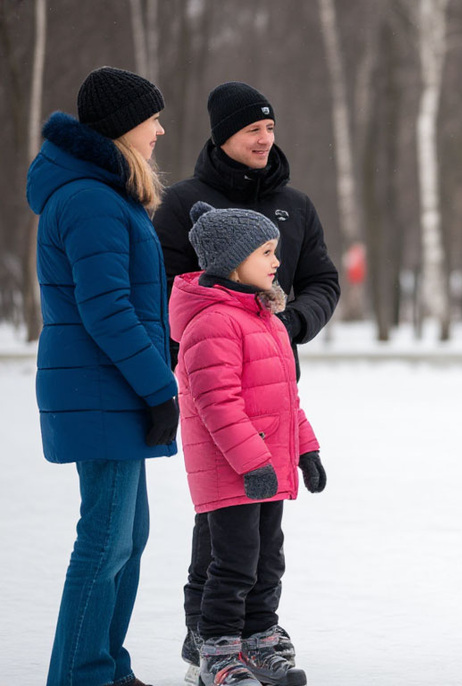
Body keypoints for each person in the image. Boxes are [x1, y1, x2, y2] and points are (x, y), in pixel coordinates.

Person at [152, 81, 339, 680]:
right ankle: (207, 637)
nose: (265, 138)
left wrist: (289, 322)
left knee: (260, 544)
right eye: (253, 129)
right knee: (222, 532)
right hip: (219, 386)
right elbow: (166, 290)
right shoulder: (183, 204)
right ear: (222, 134)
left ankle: (252, 631)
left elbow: (322, 281)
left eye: (271, 128)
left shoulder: (296, 204)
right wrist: (193, 349)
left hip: (273, 376)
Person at [27, 66, 178, 686]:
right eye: (151, 120)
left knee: (127, 537)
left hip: (108, 386)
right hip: (102, 388)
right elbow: (107, 308)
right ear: (122, 128)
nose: (161, 131)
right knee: (105, 542)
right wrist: (159, 386)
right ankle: (82, 674)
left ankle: (106, 667)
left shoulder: (102, 192)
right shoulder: (90, 198)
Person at [170, 201, 327, 686]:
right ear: (232, 261)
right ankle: (216, 650)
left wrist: (307, 449)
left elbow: (285, 398)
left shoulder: (266, 318)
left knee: (267, 561)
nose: (277, 262)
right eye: (265, 252)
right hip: (233, 471)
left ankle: (259, 641)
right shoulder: (213, 323)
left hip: (267, 469)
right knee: (234, 564)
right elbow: (220, 406)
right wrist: (254, 461)